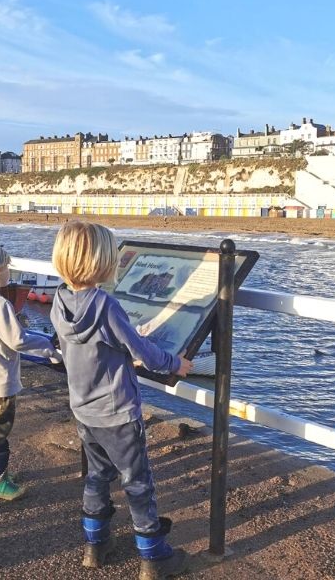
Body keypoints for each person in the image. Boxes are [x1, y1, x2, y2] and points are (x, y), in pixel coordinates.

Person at [49, 221, 193, 580]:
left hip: (83, 409)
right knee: (138, 481)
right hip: (118, 413)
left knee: (97, 476)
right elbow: (141, 349)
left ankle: (94, 546)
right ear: (103, 262)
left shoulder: (59, 300)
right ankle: (153, 556)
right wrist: (177, 363)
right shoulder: (105, 305)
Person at [0, 243, 60, 500]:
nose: (9, 272)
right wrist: (46, 346)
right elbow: (17, 340)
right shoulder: (0, 304)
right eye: (6, 267)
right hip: (1, 379)